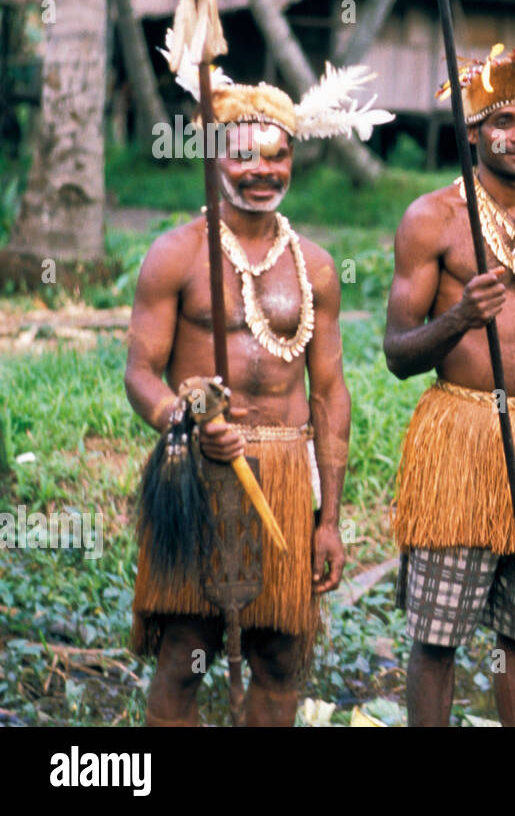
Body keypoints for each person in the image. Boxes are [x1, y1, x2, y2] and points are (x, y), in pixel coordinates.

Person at [125, 63, 385, 725]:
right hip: (198, 471)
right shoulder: (177, 254)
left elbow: (329, 392)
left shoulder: (317, 265)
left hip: (288, 474)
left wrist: (329, 517)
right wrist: (181, 417)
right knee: (185, 651)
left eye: (278, 154)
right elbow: (139, 373)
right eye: (243, 155)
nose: (262, 169)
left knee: (282, 655)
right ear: (214, 154)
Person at [385, 36, 515, 727]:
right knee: (438, 634)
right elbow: (397, 352)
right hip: (463, 437)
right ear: (472, 130)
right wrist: (459, 318)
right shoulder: (433, 219)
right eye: (503, 121)